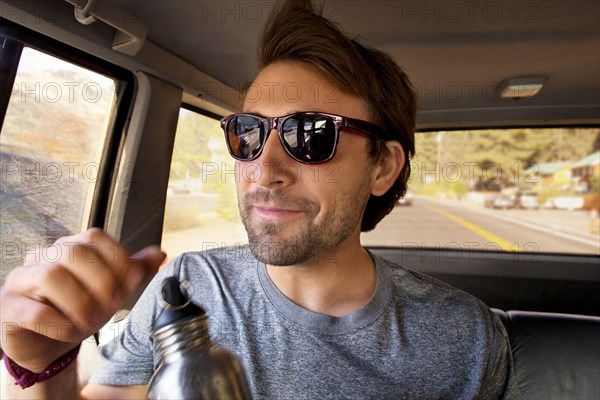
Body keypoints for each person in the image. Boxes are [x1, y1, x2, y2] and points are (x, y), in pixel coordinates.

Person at [0, 1, 520, 399]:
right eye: (248, 134)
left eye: (312, 136)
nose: (264, 171)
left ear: (382, 166)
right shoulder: (184, 288)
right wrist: (46, 362)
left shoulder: (465, 338)